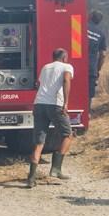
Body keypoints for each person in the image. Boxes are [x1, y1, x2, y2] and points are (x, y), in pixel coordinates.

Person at [27, 48, 74, 187]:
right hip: (55, 105)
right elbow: (66, 80)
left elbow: (38, 84)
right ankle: (56, 168)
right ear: (64, 57)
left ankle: (31, 178)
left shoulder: (45, 67)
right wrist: (66, 102)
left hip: (39, 104)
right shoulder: (67, 66)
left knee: (39, 141)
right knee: (68, 134)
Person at [86, 11, 107, 112]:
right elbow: (103, 55)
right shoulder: (101, 34)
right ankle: (86, 115)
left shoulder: (80, 26)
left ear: (90, 16)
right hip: (91, 69)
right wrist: (97, 70)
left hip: (76, 67)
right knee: (88, 95)